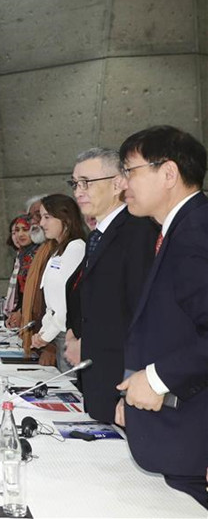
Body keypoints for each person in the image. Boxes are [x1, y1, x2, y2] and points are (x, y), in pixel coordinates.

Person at [114, 126, 208, 508]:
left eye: (130, 171)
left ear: (168, 174)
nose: (122, 184)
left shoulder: (196, 231)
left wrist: (156, 379)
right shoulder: (180, 229)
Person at [64, 148, 157, 423]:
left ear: (118, 183)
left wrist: (130, 387)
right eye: (74, 184)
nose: (78, 191)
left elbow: (143, 318)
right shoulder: (101, 235)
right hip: (98, 379)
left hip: (123, 385)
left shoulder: (138, 232)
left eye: (86, 182)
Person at [30, 194, 86, 371]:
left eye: (47, 217)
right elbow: (52, 303)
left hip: (68, 334)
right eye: (41, 217)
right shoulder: (57, 250)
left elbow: (66, 302)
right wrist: (43, 332)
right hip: (57, 331)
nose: (41, 223)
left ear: (66, 218)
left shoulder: (76, 248)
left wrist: (47, 335)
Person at [3, 214, 40, 328]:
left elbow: (36, 291)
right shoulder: (22, 256)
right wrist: (16, 313)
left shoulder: (38, 255)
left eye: (25, 229)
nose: (20, 234)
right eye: (16, 230)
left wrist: (21, 312)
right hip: (24, 314)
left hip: (36, 316)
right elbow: (21, 292)